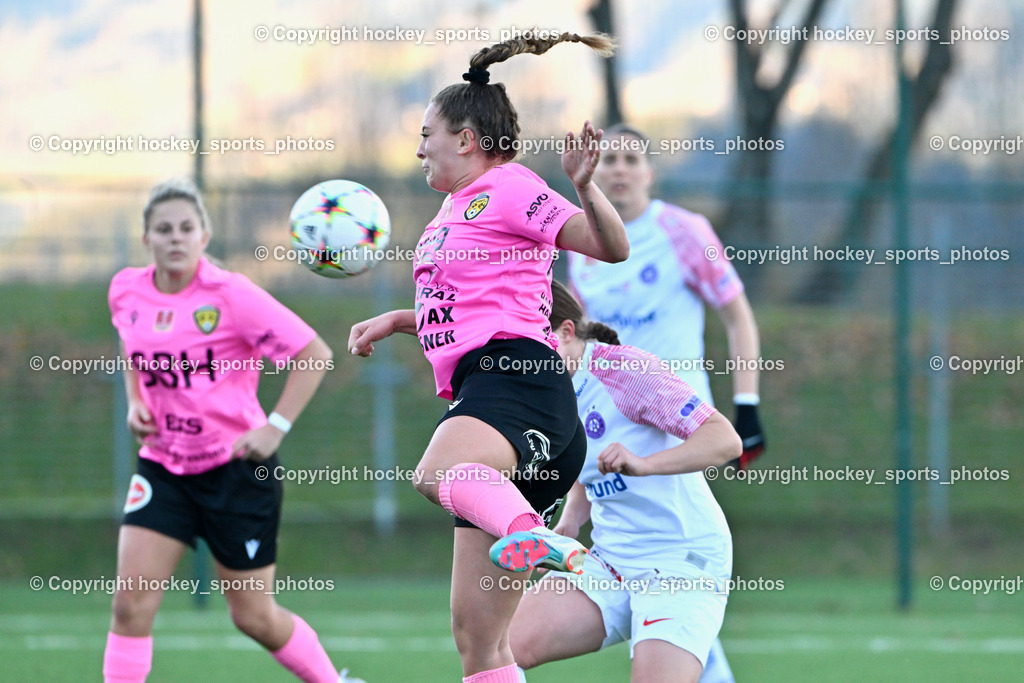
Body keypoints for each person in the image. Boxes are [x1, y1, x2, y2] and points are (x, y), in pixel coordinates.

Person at [347, 32, 629, 683]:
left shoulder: (507, 187)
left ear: (467, 138)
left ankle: (537, 533)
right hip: (499, 411)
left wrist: (586, 187)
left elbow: (609, 247)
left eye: (427, 135)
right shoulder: (451, 212)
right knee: (480, 641)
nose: (418, 148)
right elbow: (468, 310)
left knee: (430, 471)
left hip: (517, 384)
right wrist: (399, 320)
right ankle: (527, 527)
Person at [104, 179, 362, 683]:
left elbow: (315, 355)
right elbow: (131, 344)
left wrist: (275, 426)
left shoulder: (232, 295)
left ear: (204, 236)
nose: (175, 237)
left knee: (254, 617)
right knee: (130, 607)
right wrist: (136, 400)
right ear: (147, 240)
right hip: (163, 466)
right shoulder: (126, 289)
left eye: (186, 227)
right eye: (163, 229)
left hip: (238, 472)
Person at [508, 280, 741, 683]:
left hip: (681, 560)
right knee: (501, 650)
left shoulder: (624, 371)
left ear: (566, 332)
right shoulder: (551, 389)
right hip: (611, 559)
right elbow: (589, 460)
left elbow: (724, 440)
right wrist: (570, 522)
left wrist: (645, 464)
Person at [567, 124, 766, 472]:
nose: (619, 168)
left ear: (649, 174)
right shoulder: (581, 242)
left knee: (679, 520)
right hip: (609, 415)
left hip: (680, 416)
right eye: (609, 158)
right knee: (611, 520)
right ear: (593, 170)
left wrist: (746, 405)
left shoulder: (684, 230)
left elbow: (738, 318)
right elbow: (576, 336)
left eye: (631, 159)